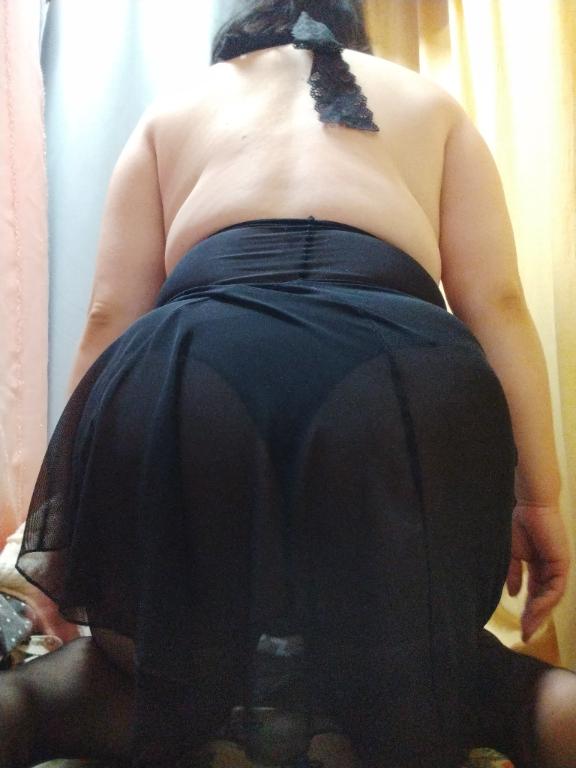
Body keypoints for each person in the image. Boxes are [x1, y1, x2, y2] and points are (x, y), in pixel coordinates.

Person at [1, 1, 574, 766]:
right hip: (397, 368)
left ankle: (107, 709)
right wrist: (540, 502)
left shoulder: (176, 109)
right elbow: (495, 303)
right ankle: (479, 705)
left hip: (195, 357)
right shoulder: (430, 104)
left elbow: (109, 315)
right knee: (454, 682)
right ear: (352, 30)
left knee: (119, 679)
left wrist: (61, 530)